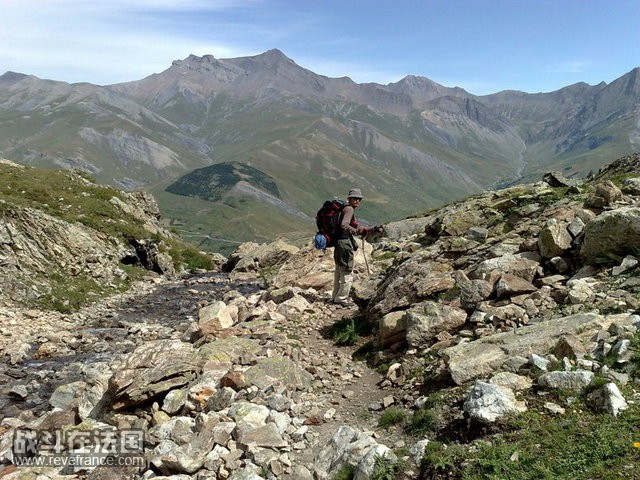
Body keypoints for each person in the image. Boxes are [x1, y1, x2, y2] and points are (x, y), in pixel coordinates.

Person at [332, 188, 382, 306]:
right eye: (355, 198)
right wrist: (354, 231)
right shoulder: (349, 209)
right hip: (344, 243)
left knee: (339, 270)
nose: (358, 201)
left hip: (338, 242)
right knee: (347, 270)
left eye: (359, 199)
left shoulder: (344, 209)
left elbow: (354, 226)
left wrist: (370, 229)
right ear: (349, 199)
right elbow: (345, 225)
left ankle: (335, 296)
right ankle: (342, 298)